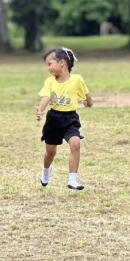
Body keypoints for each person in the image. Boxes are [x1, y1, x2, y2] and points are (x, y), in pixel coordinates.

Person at [35, 47, 92, 190]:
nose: (48, 68)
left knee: (75, 143)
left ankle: (73, 179)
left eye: (50, 64)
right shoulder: (50, 81)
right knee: (50, 152)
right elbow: (46, 96)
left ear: (61, 62)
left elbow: (86, 94)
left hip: (70, 118)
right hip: (53, 118)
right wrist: (41, 110)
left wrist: (89, 103)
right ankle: (46, 171)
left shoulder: (77, 79)